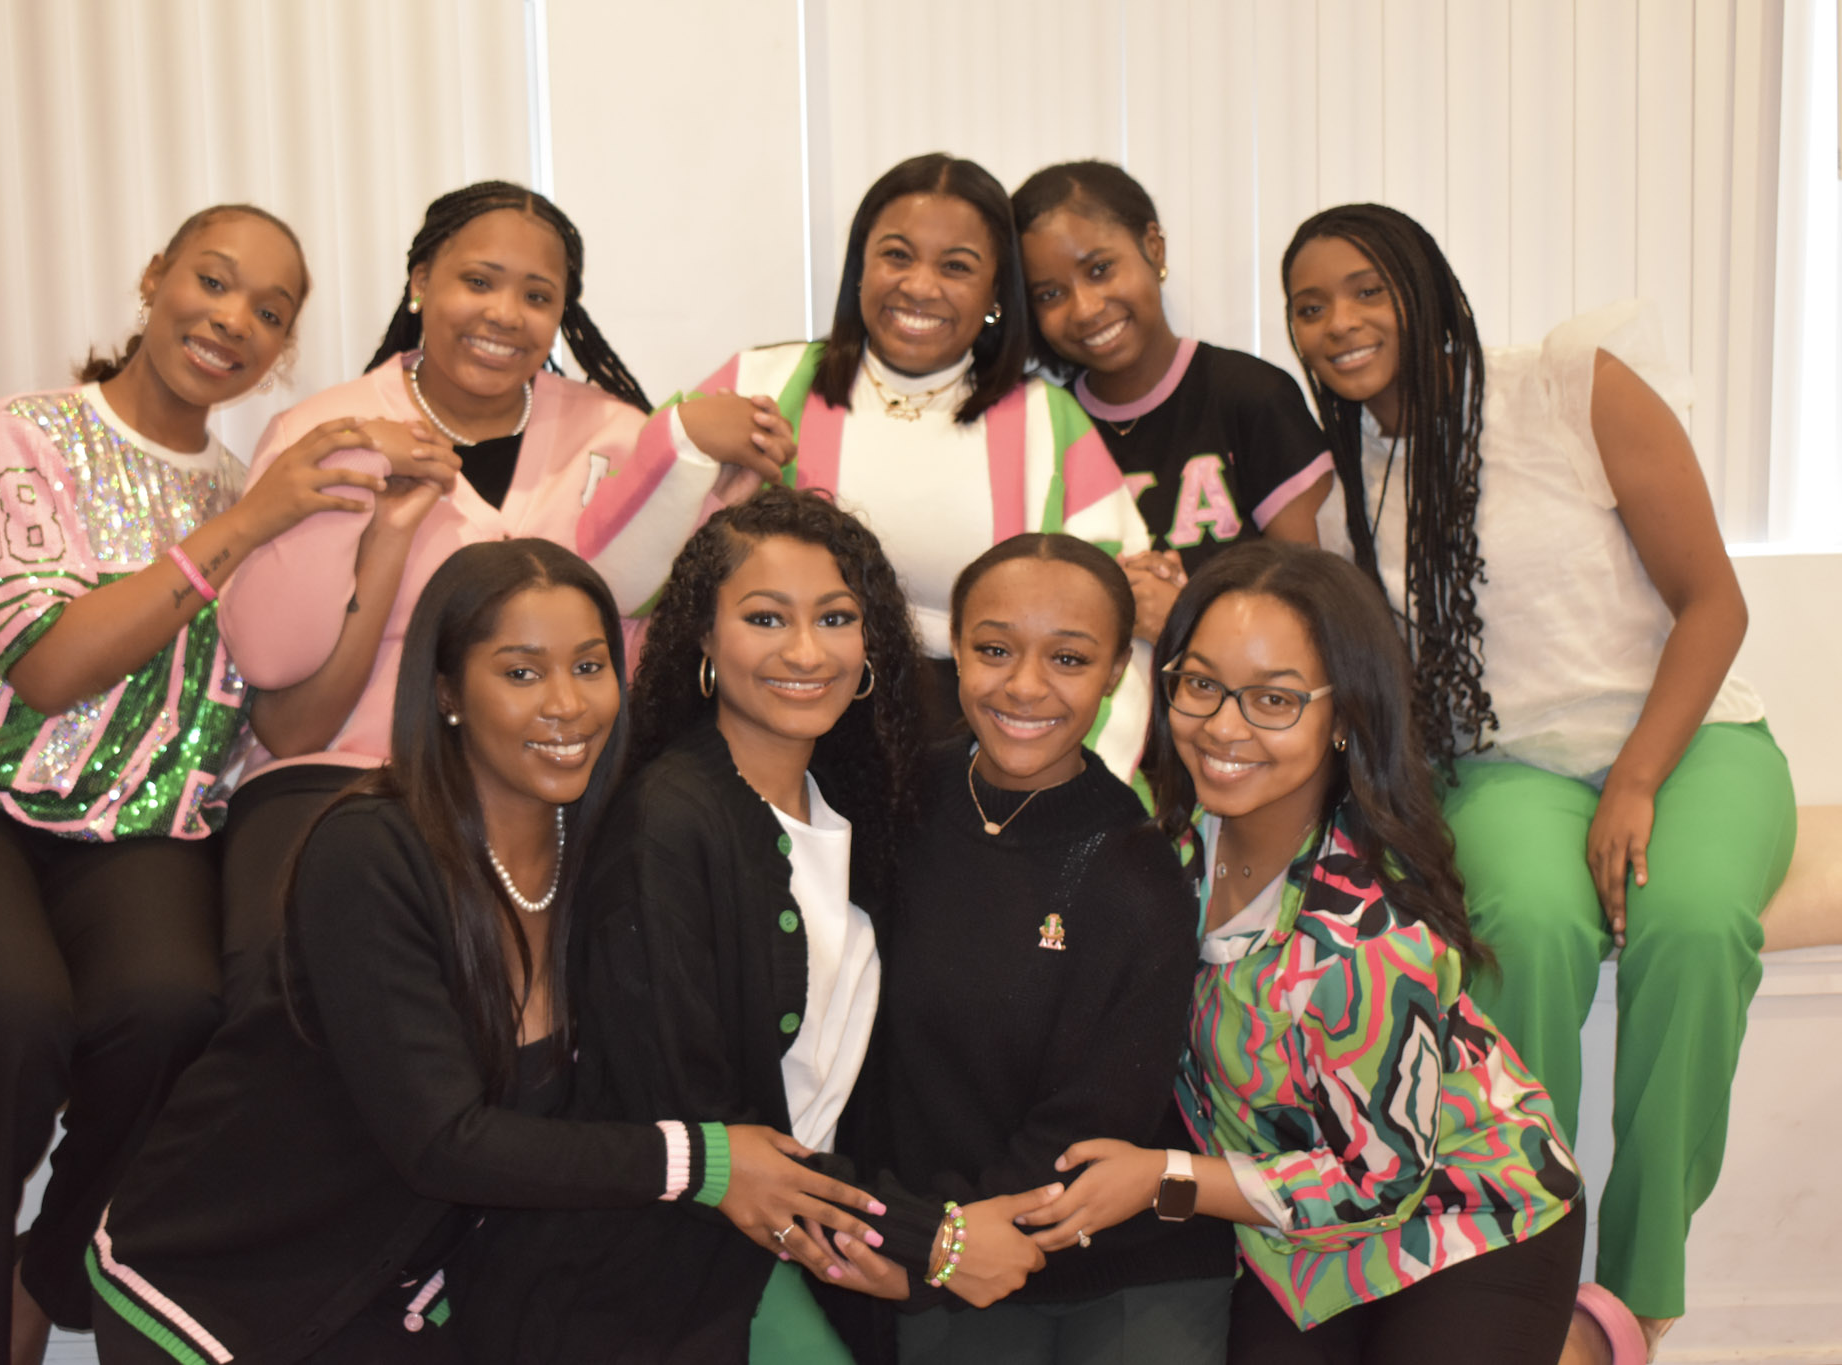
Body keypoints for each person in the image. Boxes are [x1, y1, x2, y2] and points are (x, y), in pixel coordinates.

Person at [89, 540, 882, 1364]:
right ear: (447, 692)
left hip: (400, 1294)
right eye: (522, 672)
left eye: (590, 666)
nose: (567, 704)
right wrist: (703, 1158)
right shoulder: (371, 853)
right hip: (214, 1287)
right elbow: (442, 1141)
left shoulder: (607, 848)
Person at [0, 204, 388, 1365]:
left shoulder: (255, 492)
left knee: (176, 1012)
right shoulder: (24, 433)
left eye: (269, 311)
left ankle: (43, 1283)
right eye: (212, 281)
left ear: (282, 348)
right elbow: (50, 668)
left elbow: (283, 721)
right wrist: (244, 527)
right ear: (154, 279)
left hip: (138, 832)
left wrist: (379, 546)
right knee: (13, 1016)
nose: (231, 320)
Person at [1282, 204, 1796, 1363]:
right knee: (1520, 928)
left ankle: (1635, 1292)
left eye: (1365, 289)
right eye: (1308, 307)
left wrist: (1636, 780)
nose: (1337, 322)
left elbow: (1711, 603)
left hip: (1689, 739)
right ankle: (1521, 1274)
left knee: (1693, 926)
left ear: (1425, 290)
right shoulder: (1337, 484)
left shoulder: (1572, 386)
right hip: (1506, 767)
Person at [456, 488, 1057, 1363]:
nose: (806, 651)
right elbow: (703, 1126)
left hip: (765, 1258)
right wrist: (934, 1239)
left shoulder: (848, 805)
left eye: (836, 618)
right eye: (766, 617)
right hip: (630, 1285)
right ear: (704, 637)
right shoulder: (668, 821)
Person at [212, 180, 792, 1005]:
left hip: (550, 786)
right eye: (478, 281)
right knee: (292, 985)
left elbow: (649, 644)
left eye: (537, 295)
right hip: (342, 777)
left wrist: (711, 483)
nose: (504, 314)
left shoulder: (616, 438)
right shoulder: (324, 432)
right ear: (421, 280)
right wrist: (364, 497)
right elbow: (272, 664)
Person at [1020, 541, 1586, 1361]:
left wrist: (1164, 1180)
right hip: (1285, 1232)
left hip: (1465, 1214)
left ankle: (1579, 1340)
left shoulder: (1369, 938)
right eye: (1201, 684)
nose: (1223, 725)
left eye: (1274, 700)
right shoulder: (1167, 850)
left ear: (1345, 718)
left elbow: (1382, 1182)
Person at [576, 153, 1156, 782]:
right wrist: (684, 440)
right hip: (767, 753)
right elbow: (616, 585)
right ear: (860, 268)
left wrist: (1088, 791)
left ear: (996, 292)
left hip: (979, 773)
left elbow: (1116, 636)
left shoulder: (1049, 421)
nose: (921, 286)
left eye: (956, 266)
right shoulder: (760, 383)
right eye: (897, 256)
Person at [857, 533, 1234, 1363]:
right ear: (955, 650)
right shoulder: (896, 801)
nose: (1025, 686)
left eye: (1069, 658)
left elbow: (1090, 1125)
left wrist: (948, 1240)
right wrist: (929, 1238)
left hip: (1122, 1266)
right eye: (995, 649)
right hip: (948, 1251)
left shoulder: (1137, 871)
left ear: (1115, 671)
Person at [1013, 159, 1331, 639]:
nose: (1085, 309)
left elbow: (1318, 607)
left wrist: (1186, 617)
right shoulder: (1044, 423)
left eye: (1100, 270)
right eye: (1049, 294)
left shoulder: (1252, 396)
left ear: (1153, 247)